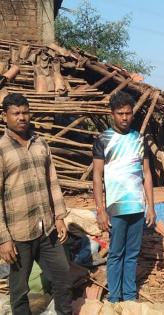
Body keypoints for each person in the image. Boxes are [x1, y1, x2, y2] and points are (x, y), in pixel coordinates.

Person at [0, 93, 72, 315]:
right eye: (16, 113)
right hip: (19, 232)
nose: (22, 117)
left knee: (63, 279)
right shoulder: (1, 148)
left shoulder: (40, 143)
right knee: (19, 291)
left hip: (47, 229)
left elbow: (52, 181)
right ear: (5, 117)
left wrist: (59, 216)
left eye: (25, 112)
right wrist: (3, 239)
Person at [93, 91, 156, 308]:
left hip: (137, 207)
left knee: (132, 254)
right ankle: (113, 297)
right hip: (116, 208)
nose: (124, 117)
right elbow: (97, 175)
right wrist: (100, 209)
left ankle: (129, 296)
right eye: (120, 113)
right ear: (112, 114)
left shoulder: (140, 139)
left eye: (128, 113)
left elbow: (147, 173)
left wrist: (151, 206)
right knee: (116, 253)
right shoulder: (103, 140)